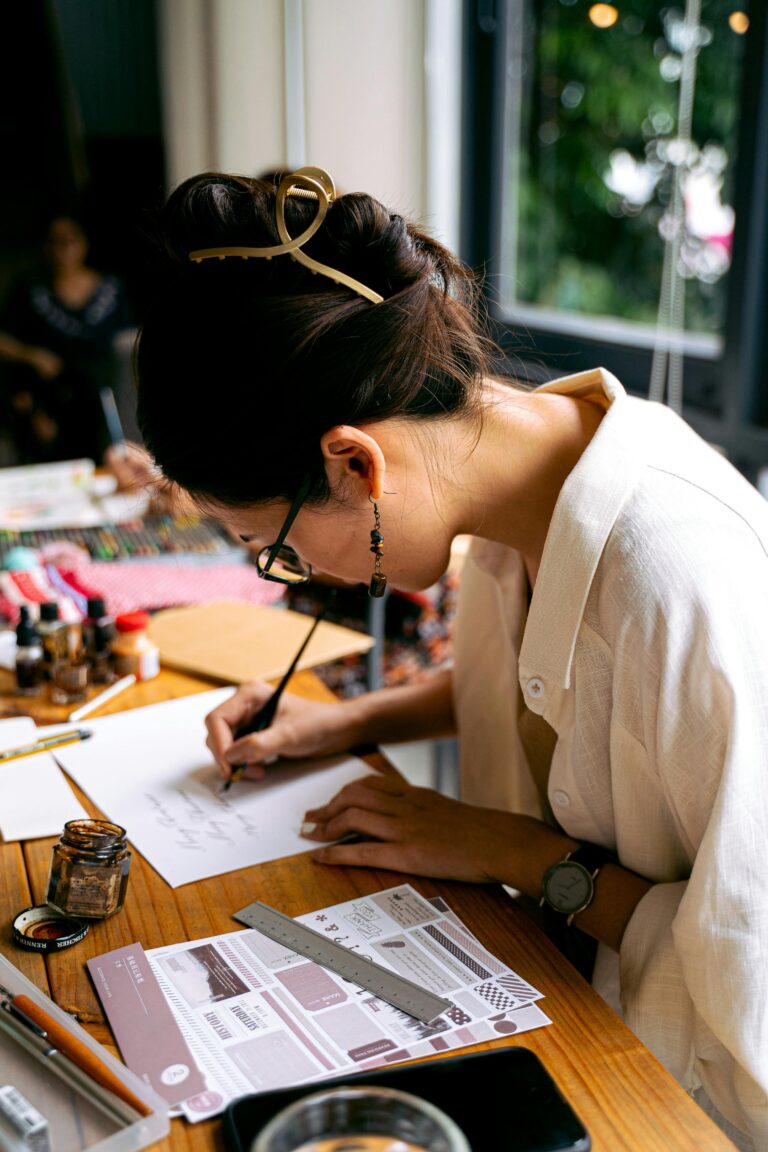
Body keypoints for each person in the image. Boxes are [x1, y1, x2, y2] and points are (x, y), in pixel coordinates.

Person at [135, 167, 768, 1149]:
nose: (297, 572)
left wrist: (509, 852)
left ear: (356, 463)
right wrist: (343, 721)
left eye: (278, 545)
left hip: (670, 1102)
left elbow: (748, 960)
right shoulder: (534, 474)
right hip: (551, 997)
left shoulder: (673, 581)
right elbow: (565, 690)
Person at [0, 213, 132, 463]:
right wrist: (32, 356)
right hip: (49, 404)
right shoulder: (32, 290)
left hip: (104, 400)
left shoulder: (112, 289)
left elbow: (129, 344)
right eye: (54, 241)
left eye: (70, 241)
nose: (63, 250)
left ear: (84, 243)